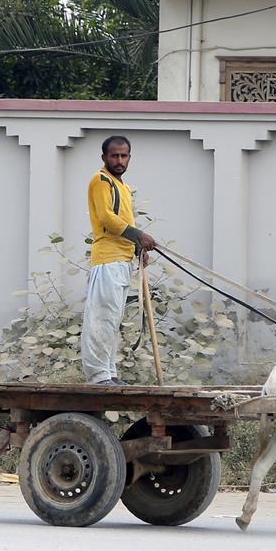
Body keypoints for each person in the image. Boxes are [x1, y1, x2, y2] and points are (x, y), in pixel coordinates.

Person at [81, 136, 156, 385]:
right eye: (114, 155)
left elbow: (124, 222)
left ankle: (110, 373)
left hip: (122, 261)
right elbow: (107, 219)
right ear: (104, 157)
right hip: (107, 260)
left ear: (129, 158)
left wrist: (137, 249)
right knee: (101, 320)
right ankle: (99, 376)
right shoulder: (101, 180)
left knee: (112, 321)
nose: (119, 160)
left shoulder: (122, 186)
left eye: (124, 156)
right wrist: (140, 236)